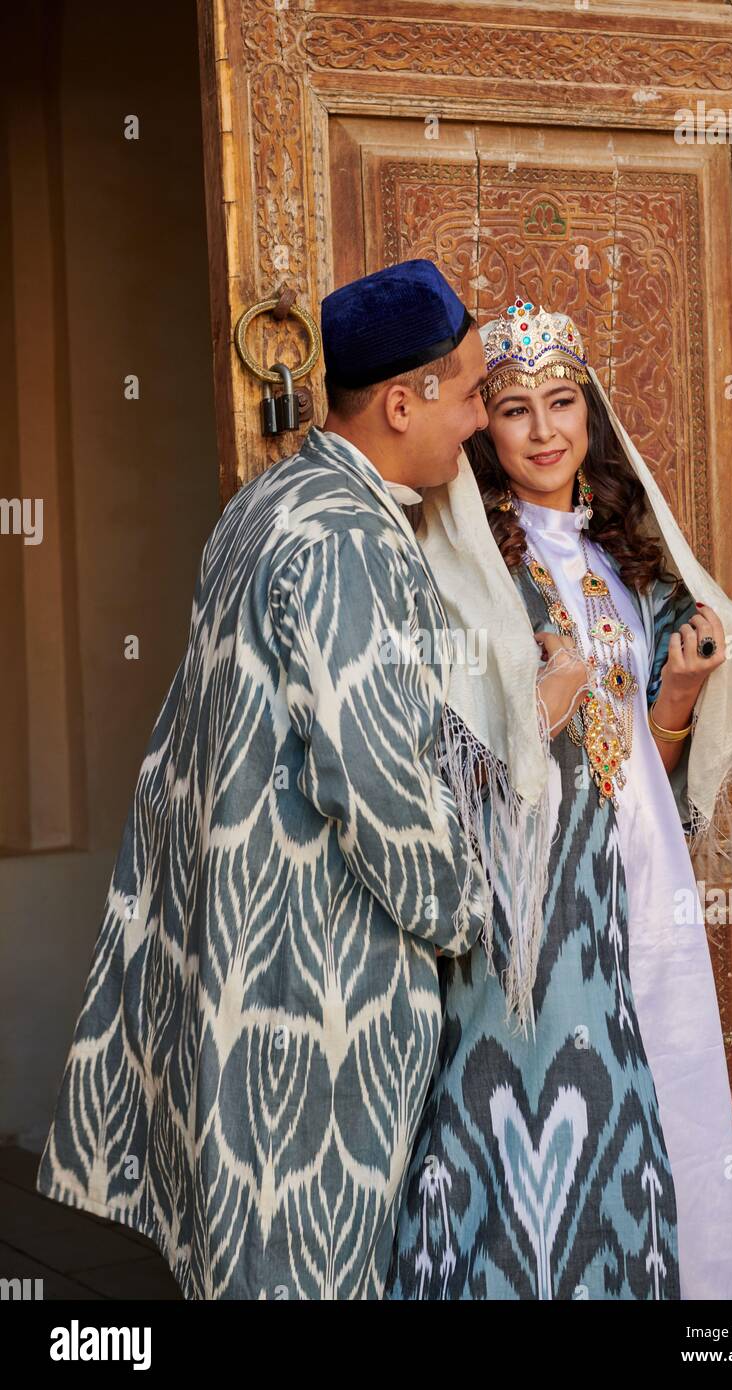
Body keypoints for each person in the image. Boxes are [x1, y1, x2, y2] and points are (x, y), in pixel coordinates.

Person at [35, 259, 525, 1300]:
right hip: (314, 993)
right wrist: (462, 913)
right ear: (404, 400)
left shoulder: (270, 501)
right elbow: (379, 783)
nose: (481, 420)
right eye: (473, 391)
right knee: (303, 1265)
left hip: (237, 964)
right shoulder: (349, 538)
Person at [385, 295, 732, 1300]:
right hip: (531, 893)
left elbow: (645, 768)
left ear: (590, 412)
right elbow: (424, 749)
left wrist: (678, 691)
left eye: (561, 402)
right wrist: (531, 706)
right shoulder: (459, 563)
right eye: (515, 408)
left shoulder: (631, 561)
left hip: (641, 875)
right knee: (537, 1112)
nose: (543, 430)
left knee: (662, 1081)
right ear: (481, 425)